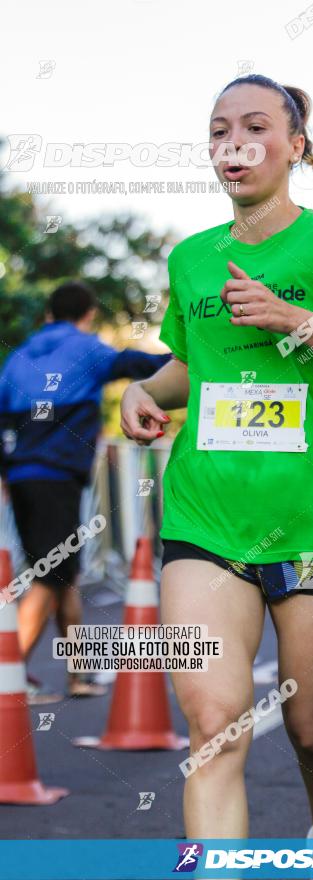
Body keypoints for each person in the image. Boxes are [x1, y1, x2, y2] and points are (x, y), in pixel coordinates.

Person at [120, 73, 313, 851]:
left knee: (311, 729)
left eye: (254, 125)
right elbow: (196, 364)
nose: (233, 142)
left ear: (295, 146)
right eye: (219, 129)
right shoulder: (191, 260)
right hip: (205, 518)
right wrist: (144, 388)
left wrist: (295, 319)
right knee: (214, 723)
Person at [0, 281, 169, 701]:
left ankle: (78, 674)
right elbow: (133, 362)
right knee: (49, 572)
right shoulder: (86, 348)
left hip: (21, 477)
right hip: (57, 476)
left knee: (64, 575)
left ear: (48, 314)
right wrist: (185, 359)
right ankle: (9, 673)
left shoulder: (18, 356)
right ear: (89, 314)